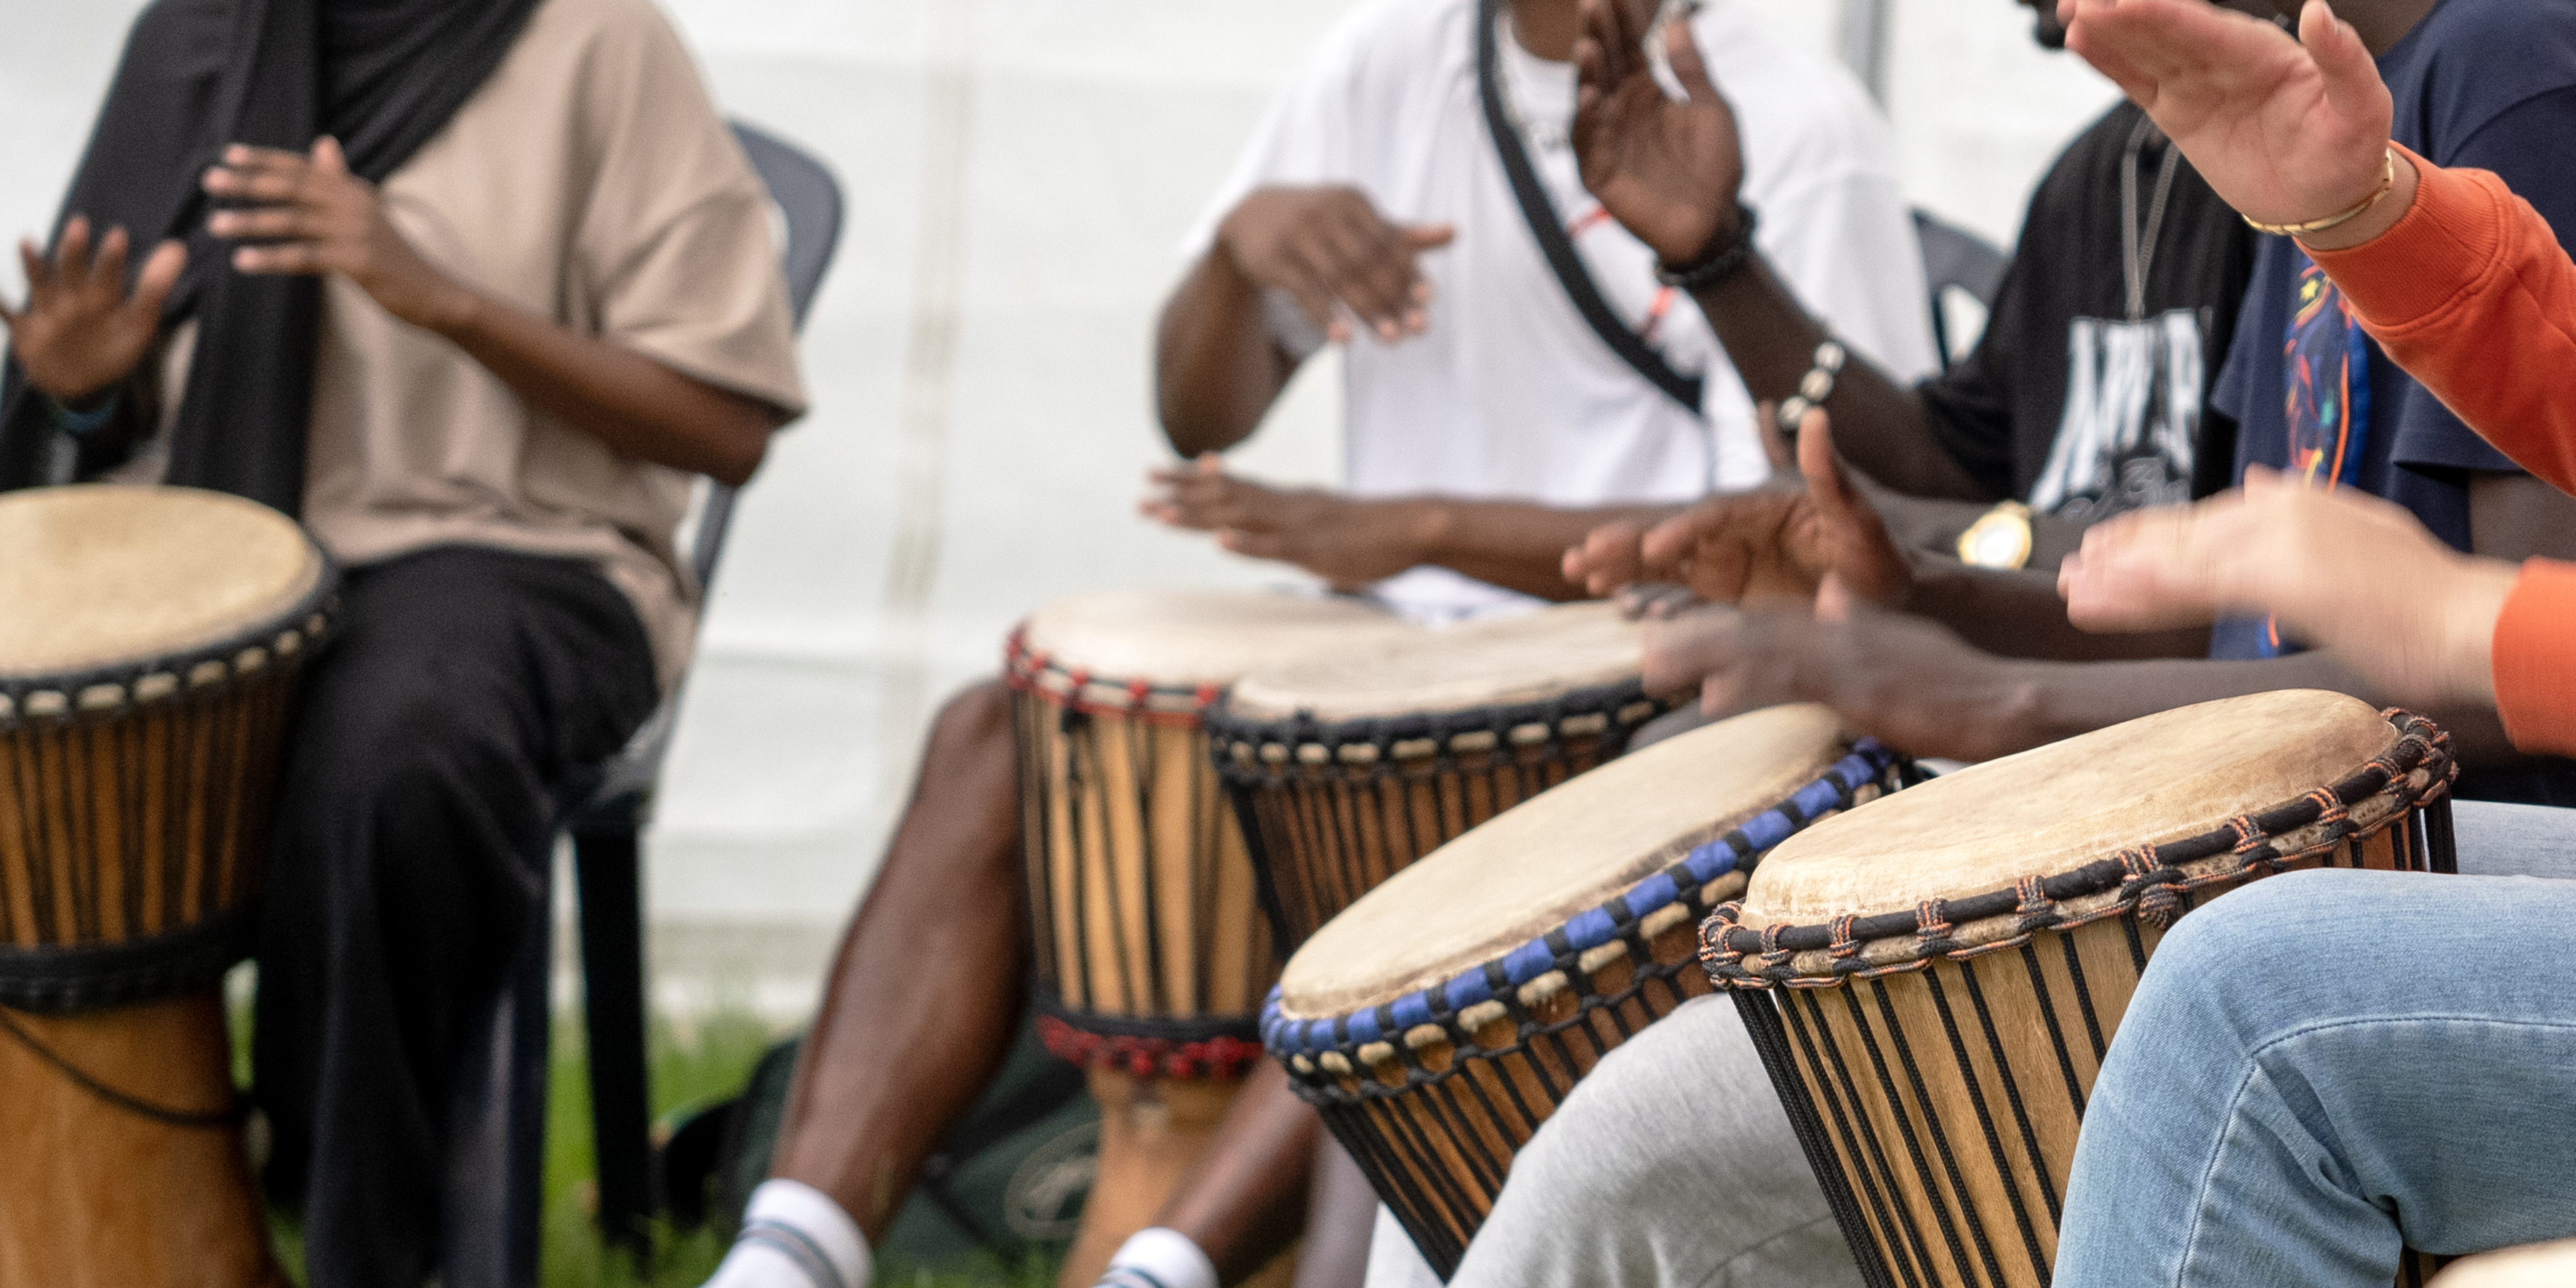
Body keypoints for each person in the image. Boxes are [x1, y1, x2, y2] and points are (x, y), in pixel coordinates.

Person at [704, 2, 1939, 1287]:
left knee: (1434, 857)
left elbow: (1809, 533)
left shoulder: (1795, 126)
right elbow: (1198, 411)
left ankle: (1172, 1262)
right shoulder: (1383, 67)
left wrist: (1420, 526)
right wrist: (1239, 260)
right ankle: (789, 1251)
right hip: (1394, 640)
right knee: (999, 731)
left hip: (1649, 672)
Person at [0, 0, 806, 1284]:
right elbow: (96, 406)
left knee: (395, 753)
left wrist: (437, 296)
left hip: (512, 547)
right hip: (204, 551)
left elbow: (723, 424)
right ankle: (105, 1193)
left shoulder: (599, 42)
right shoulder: (197, 35)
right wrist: (86, 379)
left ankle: (362, 1233)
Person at [2031, 0, 2576, 1279]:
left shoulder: (2516, 59)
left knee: (2250, 1007)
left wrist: (2470, 619)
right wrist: (2375, 217)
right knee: (2199, 883)